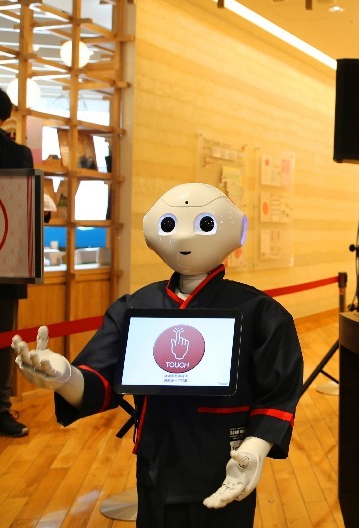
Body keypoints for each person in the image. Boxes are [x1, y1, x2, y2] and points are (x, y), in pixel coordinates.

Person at [12, 183, 304, 527]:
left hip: (224, 462)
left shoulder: (260, 311)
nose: (184, 237)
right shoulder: (137, 306)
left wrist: (255, 447)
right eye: (170, 224)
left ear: (236, 229)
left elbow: (279, 391)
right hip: (156, 462)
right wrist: (65, 377)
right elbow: (101, 379)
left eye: (203, 224)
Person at [0, 87, 33, 438]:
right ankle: (0, 410)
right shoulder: (17, 153)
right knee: (2, 342)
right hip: (6, 263)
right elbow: (23, 210)